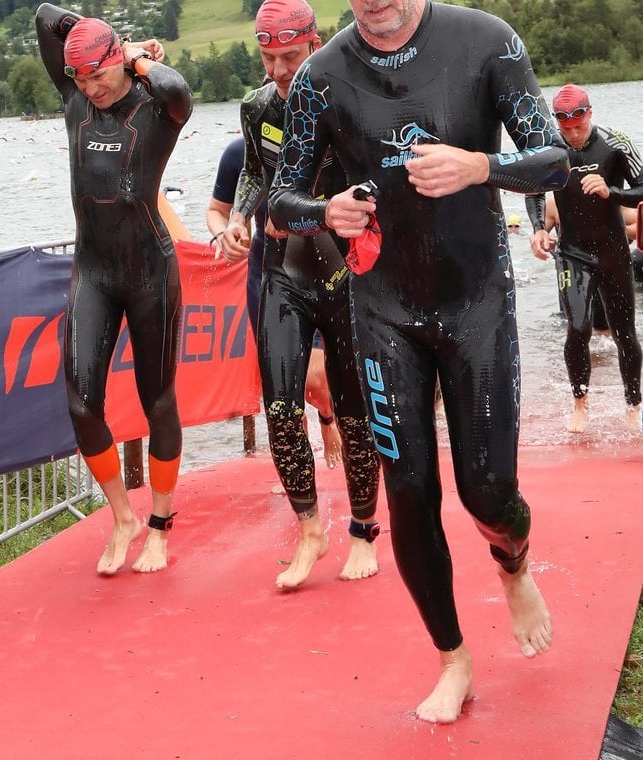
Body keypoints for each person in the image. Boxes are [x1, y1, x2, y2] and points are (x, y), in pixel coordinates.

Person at [269, 0, 568, 723]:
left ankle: (513, 564)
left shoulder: (488, 42)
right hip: (383, 311)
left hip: (477, 302)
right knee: (408, 493)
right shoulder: (319, 77)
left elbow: (554, 162)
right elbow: (279, 200)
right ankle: (453, 658)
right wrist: (324, 211)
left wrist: (481, 166)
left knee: (489, 492)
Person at [226, 0, 381, 588]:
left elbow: (377, 183)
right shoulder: (259, 106)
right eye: (267, 58)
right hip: (284, 273)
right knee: (282, 410)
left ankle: (364, 530)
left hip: (347, 277)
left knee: (353, 411)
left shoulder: (349, 99)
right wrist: (241, 217)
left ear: (315, 43)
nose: (277, 70)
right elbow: (256, 174)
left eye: (288, 57)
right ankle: (310, 531)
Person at [35, 3, 192, 575]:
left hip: (152, 270)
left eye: (100, 74)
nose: (92, 87)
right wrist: (89, 43)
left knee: (158, 401)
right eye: (81, 77)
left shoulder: (157, 107)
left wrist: (132, 56)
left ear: (120, 63)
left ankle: (160, 524)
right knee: (80, 402)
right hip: (95, 272)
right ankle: (123, 516)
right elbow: (45, 16)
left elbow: (178, 87)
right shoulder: (74, 98)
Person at [206, 136, 343, 471]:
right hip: (268, 274)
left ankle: (327, 417)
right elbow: (217, 211)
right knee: (282, 385)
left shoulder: (326, 143)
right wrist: (225, 232)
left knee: (315, 381)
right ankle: (299, 466)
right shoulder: (241, 152)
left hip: (323, 267)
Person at [527, 84, 643, 433]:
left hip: (614, 251)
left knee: (624, 332)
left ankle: (632, 403)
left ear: (589, 115)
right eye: (565, 129)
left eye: (578, 127)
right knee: (578, 328)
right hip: (573, 254)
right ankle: (580, 403)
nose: (572, 135)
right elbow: (535, 193)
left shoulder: (616, 144)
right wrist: (539, 228)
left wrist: (611, 191)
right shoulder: (550, 149)